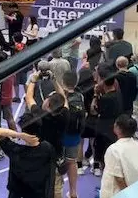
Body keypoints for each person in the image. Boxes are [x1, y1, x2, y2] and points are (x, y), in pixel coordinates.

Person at [25, 66, 69, 198]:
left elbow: (29, 98)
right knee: (56, 189)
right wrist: (55, 80)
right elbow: (64, 99)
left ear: (48, 105)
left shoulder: (40, 115)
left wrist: (33, 80)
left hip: (40, 159)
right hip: (57, 157)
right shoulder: (65, 114)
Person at [0, 112, 55, 198]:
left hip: (17, 194)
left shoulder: (15, 150)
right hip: (39, 194)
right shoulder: (48, 148)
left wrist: (19, 135)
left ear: (24, 131)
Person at [99, 115, 138, 198]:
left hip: (118, 192)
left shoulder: (114, 150)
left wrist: (128, 194)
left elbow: (119, 178)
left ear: (118, 129)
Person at [91, 64, 123, 177]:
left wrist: (95, 95)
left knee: (105, 158)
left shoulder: (104, 99)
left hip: (104, 132)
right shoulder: (118, 93)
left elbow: (93, 111)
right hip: (114, 130)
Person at [60, 70, 85, 198]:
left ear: (63, 81)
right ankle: (74, 192)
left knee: (57, 163)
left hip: (61, 135)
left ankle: (56, 191)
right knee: (72, 162)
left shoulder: (59, 97)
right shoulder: (80, 96)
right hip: (75, 135)